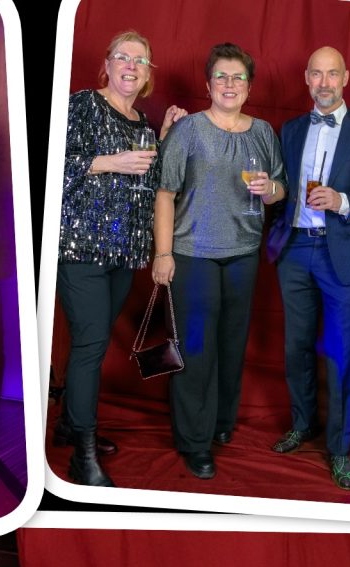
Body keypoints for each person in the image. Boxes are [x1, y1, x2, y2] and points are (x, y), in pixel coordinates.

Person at [153, 44, 282, 481]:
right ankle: (195, 441)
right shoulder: (188, 130)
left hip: (244, 253)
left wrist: (271, 190)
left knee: (231, 343)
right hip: (193, 255)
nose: (230, 84)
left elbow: (280, 189)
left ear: (249, 87)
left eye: (238, 77)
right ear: (208, 85)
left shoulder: (263, 132)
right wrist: (163, 253)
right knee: (196, 348)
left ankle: (222, 421)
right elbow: (165, 193)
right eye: (221, 77)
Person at [268, 48, 350, 492]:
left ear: (345, 77)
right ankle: (303, 424)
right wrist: (269, 193)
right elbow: (281, 188)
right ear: (306, 78)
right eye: (316, 74)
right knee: (296, 347)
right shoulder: (291, 129)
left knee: (341, 354)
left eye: (332, 74)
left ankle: (339, 447)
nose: (324, 82)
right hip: (295, 248)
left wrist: (341, 201)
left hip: (343, 253)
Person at [57, 31, 162, 488]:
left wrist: (166, 138)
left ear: (147, 74)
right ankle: (82, 456)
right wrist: (108, 162)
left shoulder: (144, 125)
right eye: (123, 56)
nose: (131, 65)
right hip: (81, 248)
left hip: (125, 252)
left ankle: (69, 423)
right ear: (107, 64)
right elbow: (52, 164)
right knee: (92, 344)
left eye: (141, 60)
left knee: (92, 343)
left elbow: (151, 182)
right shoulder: (82, 104)